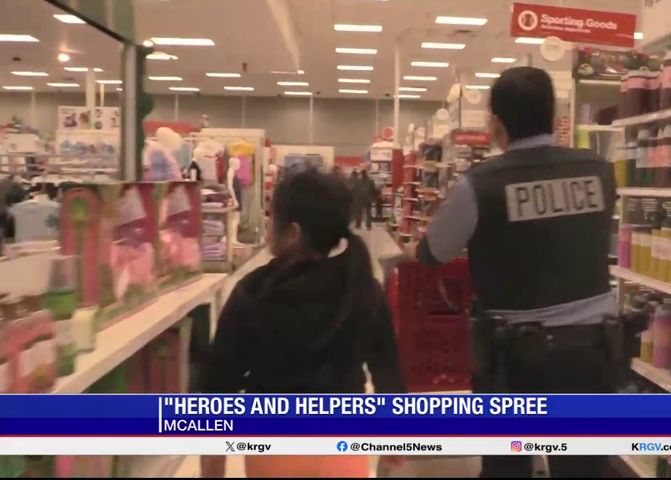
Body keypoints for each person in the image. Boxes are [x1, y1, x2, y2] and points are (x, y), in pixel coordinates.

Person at [407, 67, 617, 478]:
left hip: (515, 359)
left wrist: (407, 252)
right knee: (586, 466)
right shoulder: (599, 170)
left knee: (506, 466)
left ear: (497, 124)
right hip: (592, 350)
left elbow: (433, 252)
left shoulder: (482, 183)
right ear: (553, 116)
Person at [201, 170, 404, 477]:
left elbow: (217, 386)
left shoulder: (256, 291)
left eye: (273, 218)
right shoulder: (361, 288)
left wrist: (212, 467)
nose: (269, 226)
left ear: (293, 232)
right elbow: (387, 368)